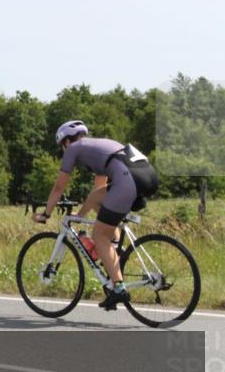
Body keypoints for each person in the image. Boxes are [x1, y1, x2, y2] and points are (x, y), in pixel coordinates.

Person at [32, 120, 159, 310]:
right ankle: (114, 253)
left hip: (127, 180)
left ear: (66, 141)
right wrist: (80, 215)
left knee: (99, 235)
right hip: (146, 175)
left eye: (62, 147)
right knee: (100, 206)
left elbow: (59, 187)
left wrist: (46, 214)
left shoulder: (74, 149)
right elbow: (98, 191)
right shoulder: (98, 146)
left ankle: (118, 288)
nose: (64, 151)